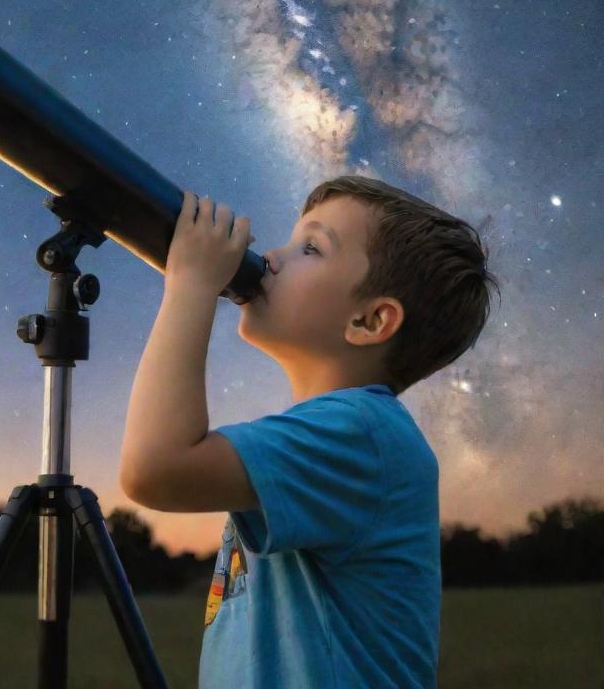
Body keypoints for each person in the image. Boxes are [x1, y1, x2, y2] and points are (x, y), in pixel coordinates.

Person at [118, 175, 501, 689]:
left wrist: (190, 285)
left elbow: (156, 467)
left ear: (369, 320)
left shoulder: (360, 433)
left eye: (311, 248)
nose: (272, 257)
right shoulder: (339, 434)